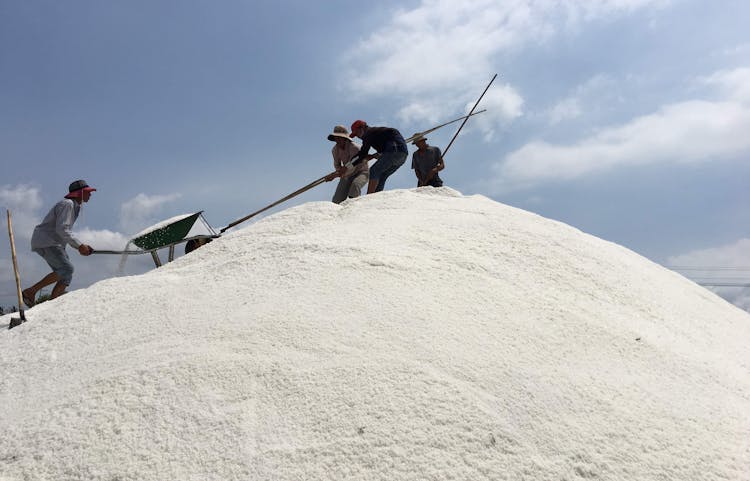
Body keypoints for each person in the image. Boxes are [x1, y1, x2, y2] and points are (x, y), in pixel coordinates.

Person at [22, 180, 95, 306]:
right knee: (67, 269)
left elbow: (63, 230)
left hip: (54, 243)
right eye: (88, 192)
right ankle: (31, 291)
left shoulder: (74, 206)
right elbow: (62, 229)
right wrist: (80, 245)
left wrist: (80, 246)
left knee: (66, 276)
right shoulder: (67, 204)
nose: (90, 194)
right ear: (80, 193)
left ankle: (52, 305)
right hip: (47, 241)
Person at [349, 120, 408, 194]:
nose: (357, 136)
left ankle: (369, 196)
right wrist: (380, 153)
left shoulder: (368, 133)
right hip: (403, 155)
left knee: (373, 171)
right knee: (381, 175)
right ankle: (376, 195)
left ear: (362, 128)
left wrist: (349, 165)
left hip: (393, 151)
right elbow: (391, 135)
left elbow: (362, 154)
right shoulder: (375, 133)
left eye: (356, 133)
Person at [324, 125, 370, 203]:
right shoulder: (335, 150)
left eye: (339, 138)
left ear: (345, 138)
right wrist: (338, 172)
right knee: (337, 199)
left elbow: (353, 165)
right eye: (336, 138)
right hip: (347, 174)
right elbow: (337, 164)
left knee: (355, 186)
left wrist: (336, 175)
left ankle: (354, 208)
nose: (337, 141)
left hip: (361, 171)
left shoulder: (355, 148)